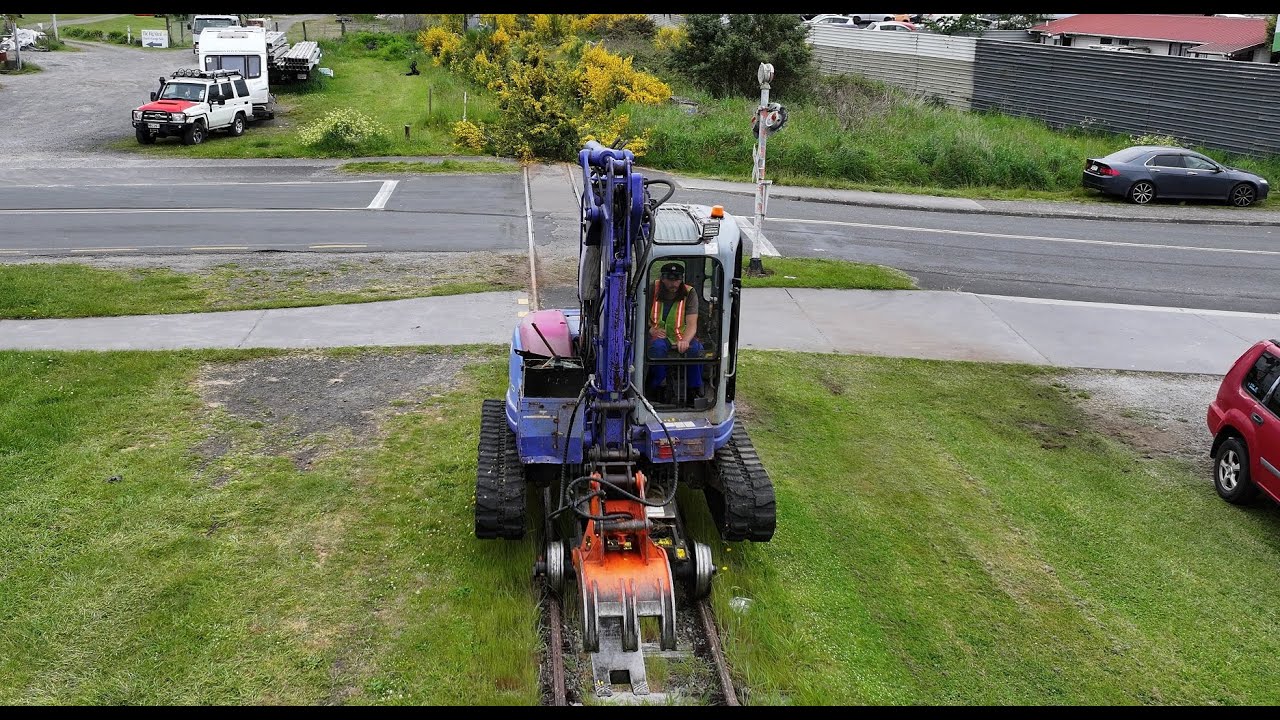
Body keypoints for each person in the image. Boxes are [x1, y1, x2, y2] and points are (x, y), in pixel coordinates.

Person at [647, 261, 704, 399]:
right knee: (656, 348)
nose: (674, 284)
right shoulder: (651, 289)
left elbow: (692, 323)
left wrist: (685, 340)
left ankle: (694, 389)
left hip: (681, 334)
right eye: (670, 280)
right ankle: (658, 386)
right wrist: (650, 329)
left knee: (696, 349)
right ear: (663, 278)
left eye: (677, 280)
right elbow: (639, 313)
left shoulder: (690, 293)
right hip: (657, 334)